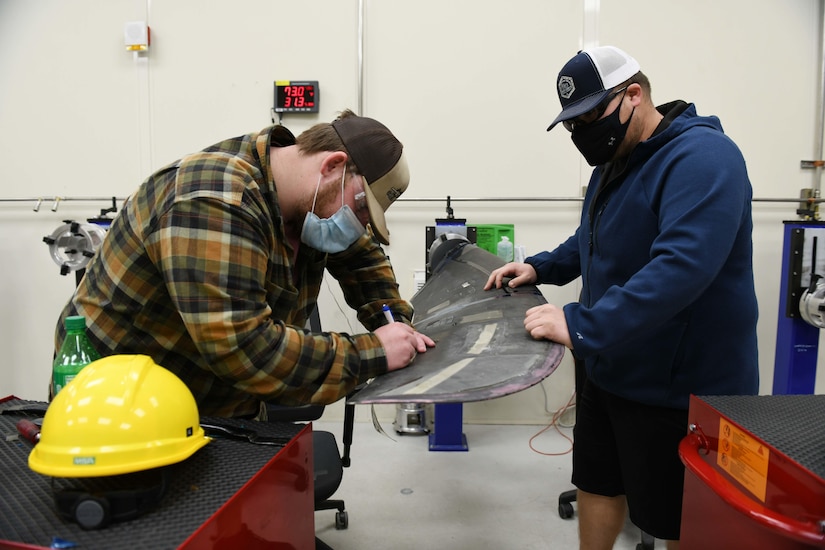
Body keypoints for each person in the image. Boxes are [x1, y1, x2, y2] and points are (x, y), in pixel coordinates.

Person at [485, 46, 758, 549]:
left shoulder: (703, 159)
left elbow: (682, 267)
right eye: (572, 125)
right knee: (597, 480)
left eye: (591, 118)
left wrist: (584, 325)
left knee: (681, 518)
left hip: (680, 387)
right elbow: (592, 236)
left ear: (634, 94)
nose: (582, 134)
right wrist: (540, 266)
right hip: (611, 368)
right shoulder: (614, 163)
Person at [56, 109, 435, 419]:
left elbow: (361, 256)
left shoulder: (311, 201)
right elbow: (244, 349)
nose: (359, 225)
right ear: (333, 166)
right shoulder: (214, 201)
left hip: (218, 402)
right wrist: (374, 351)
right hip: (119, 408)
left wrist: (395, 322)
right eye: (361, 208)